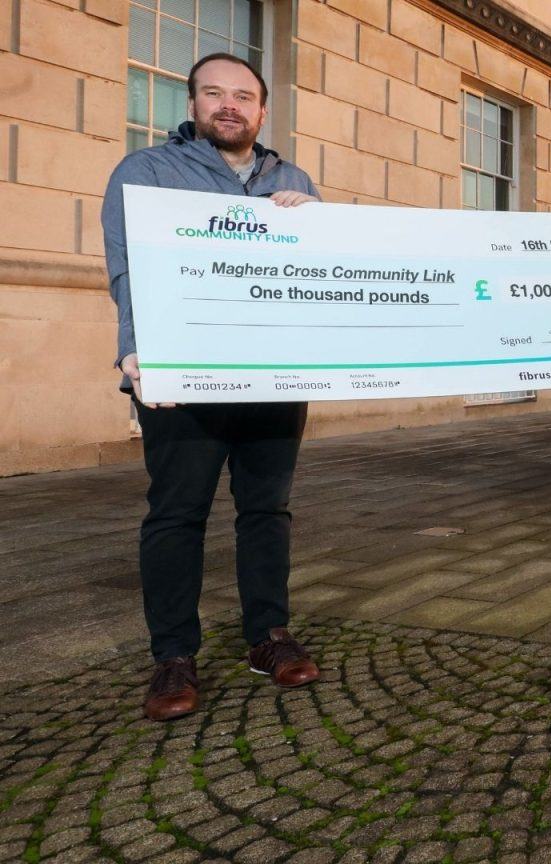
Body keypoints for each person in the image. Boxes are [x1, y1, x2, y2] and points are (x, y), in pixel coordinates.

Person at [102, 53, 322, 721]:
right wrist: (134, 350)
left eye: (243, 96)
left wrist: (317, 223)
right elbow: (126, 266)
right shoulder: (146, 171)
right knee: (177, 514)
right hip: (183, 376)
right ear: (193, 103)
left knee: (267, 511)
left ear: (262, 109)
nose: (229, 105)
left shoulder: (292, 179)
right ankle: (173, 656)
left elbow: (319, 272)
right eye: (214, 93)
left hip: (274, 376)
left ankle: (269, 636)